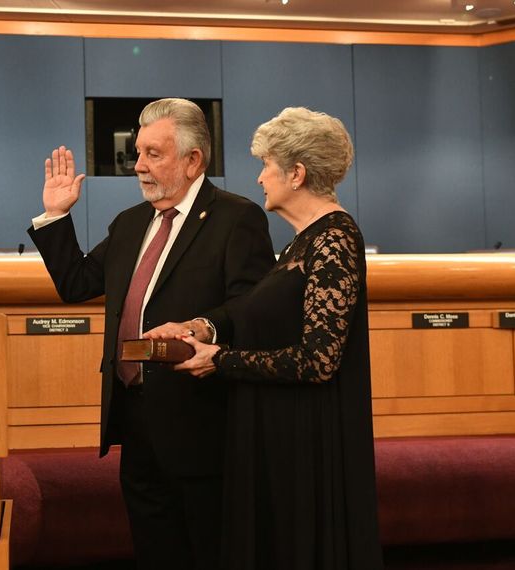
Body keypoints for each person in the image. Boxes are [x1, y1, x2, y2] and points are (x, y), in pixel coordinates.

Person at [28, 98, 275, 569]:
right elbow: (76, 284)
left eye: (153, 154)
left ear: (193, 160)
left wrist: (202, 326)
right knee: (154, 551)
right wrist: (56, 215)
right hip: (135, 418)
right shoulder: (130, 223)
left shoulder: (235, 219)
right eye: (138, 153)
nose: (138, 165)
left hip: (200, 425)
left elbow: (250, 308)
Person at [150, 107, 384, 569]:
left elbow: (319, 360)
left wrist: (221, 360)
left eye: (267, 165)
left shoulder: (335, 238)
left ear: (296, 174)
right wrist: (200, 328)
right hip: (282, 437)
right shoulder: (302, 241)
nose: (259, 178)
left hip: (308, 443)